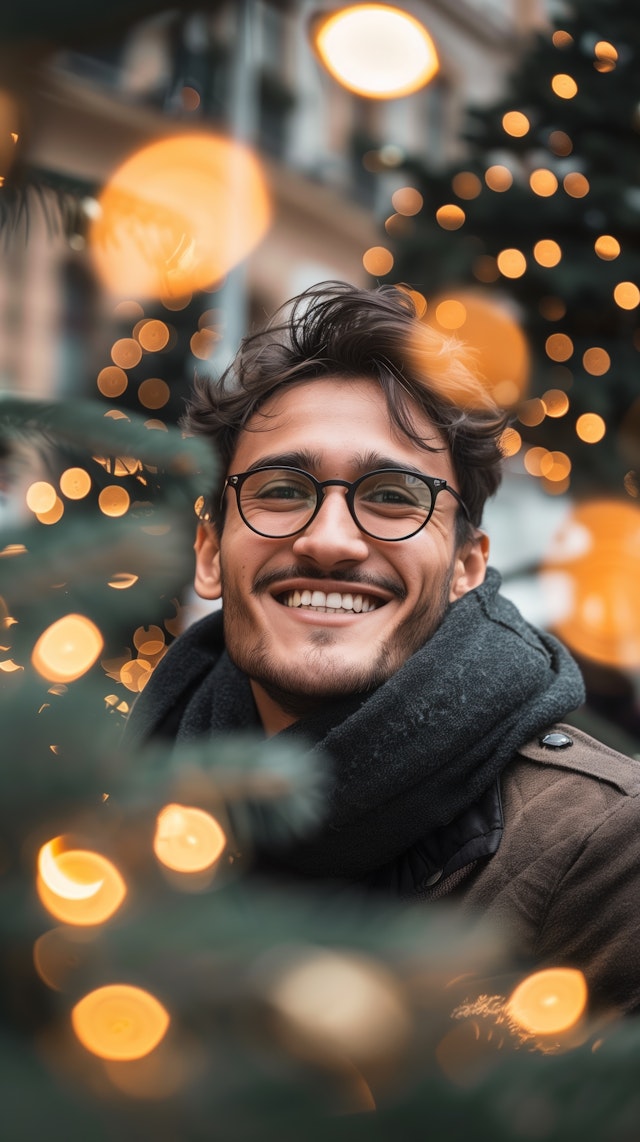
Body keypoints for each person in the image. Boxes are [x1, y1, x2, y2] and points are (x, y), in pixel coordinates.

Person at [128, 281, 640, 1017]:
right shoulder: (102, 809)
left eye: (393, 496)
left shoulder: (605, 847)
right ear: (209, 551)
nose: (329, 541)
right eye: (280, 489)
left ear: (466, 566)